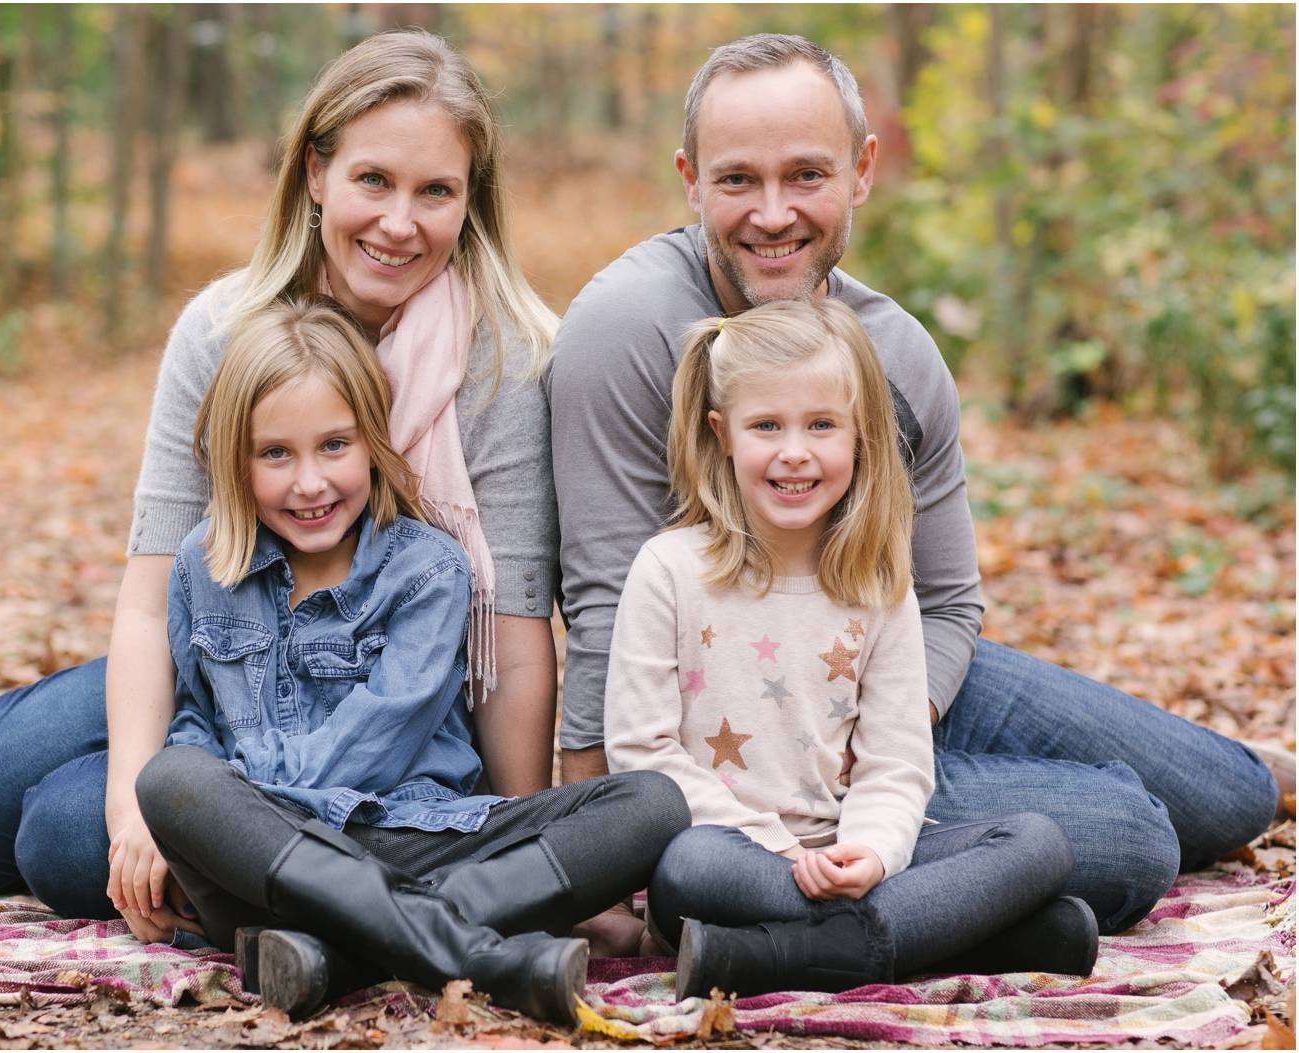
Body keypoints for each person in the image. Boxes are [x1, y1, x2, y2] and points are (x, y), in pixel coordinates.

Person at [545, 32, 1277, 937]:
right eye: (738, 180)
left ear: (861, 170)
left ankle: (1220, 775)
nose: (772, 213)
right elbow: (606, 595)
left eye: (806, 175)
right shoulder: (627, 327)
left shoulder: (896, 352)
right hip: (732, 722)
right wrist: (593, 866)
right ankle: (909, 916)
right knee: (1133, 837)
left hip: (878, 662)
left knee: (1231, 795)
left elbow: (948, 601)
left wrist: (878, 727)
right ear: (692, 179)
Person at [0, 30, 566, 947]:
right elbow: (154, 602)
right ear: (316, 173)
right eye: (373, 181)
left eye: (436, 191)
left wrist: (511, 850)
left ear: (471, 201)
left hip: (385, 718)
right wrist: (133, 808)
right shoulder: (223, 331)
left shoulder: (501, 362)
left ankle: (278, 857)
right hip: (222, 666)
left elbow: (510, 638)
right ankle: (226, 831)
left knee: (62, 841)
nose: (401, 222)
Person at [133, 298, 688, 1024]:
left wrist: (260, 794)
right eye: (276, 453)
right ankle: (477, 953)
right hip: (264, 857)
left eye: (335, 445)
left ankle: (332, 951)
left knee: (651, 805)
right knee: (172, 777)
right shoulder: (203, 567)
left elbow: (381, 733)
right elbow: (195, 723)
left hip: (414, 836)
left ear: (373, 442)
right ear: (237, 460)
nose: (310, 482)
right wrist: (207, 810)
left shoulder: (427, 569)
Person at [606, 299, 1097, 999]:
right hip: (733, 861)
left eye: (821, 425)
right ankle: (959, 939)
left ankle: (779, 956)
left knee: (1038, 843)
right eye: (767, 425)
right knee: (689, 865)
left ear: (860, 437)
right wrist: (774, 848)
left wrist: (870, 852)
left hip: (845, 849)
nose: (795, 450)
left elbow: (896, 763)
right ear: (722, 434)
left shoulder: (877, 582)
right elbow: (643, 754)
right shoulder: (669, 570)